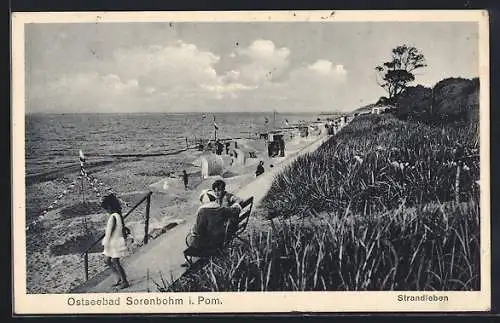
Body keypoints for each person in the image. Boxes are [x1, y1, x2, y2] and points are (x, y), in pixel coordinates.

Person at [101, 194, 129, 289]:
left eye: (106, 209)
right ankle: (118, 277)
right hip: (115, 241)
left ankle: (124, 281)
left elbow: (110, 232)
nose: (106, 211)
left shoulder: (113, 216)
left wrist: (106, 243)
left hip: (113, 242)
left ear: (109, 207)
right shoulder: (118, 215)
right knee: (107, 260)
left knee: (115, 261)